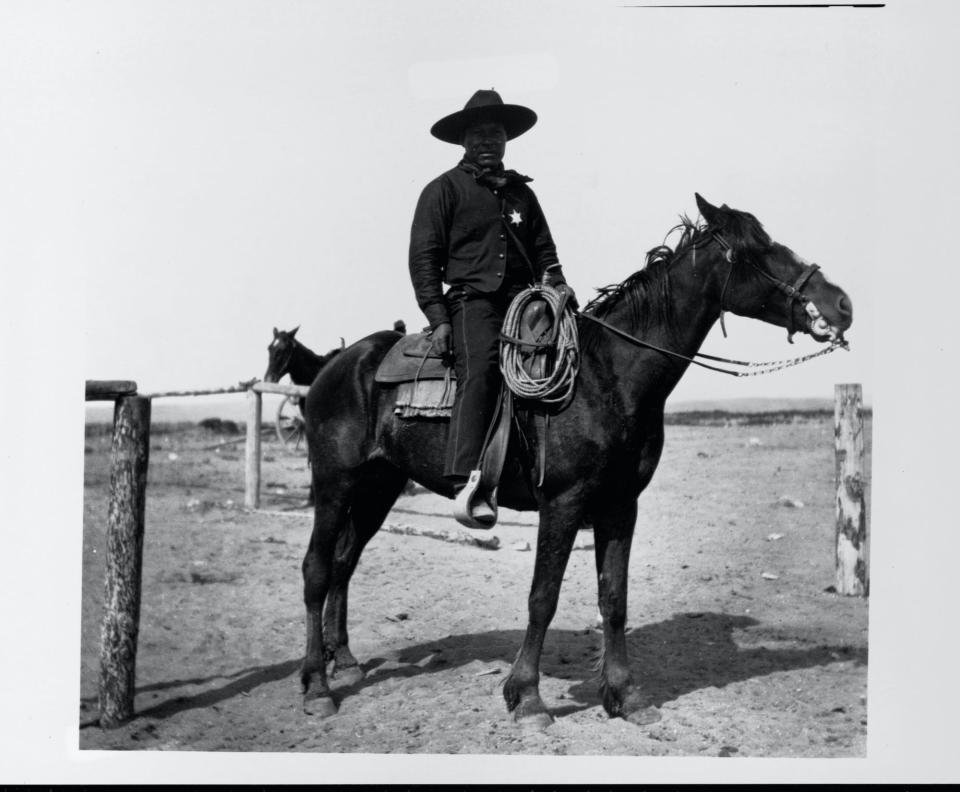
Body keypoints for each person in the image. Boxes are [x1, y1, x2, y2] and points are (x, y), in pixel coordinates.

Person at [408, 89, 576, 526]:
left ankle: (563, 474)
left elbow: (545, 252)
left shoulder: (522, 194)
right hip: (472, 302)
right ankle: (467, 479)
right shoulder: (442, 190)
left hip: (524, 303)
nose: (489, 142)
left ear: (506, 140)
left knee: (565, 363)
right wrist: (438, 319)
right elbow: (423, 260)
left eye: (497, 134)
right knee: (480, 368)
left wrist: (556, 285)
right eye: (479, 134)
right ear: (463, 140)